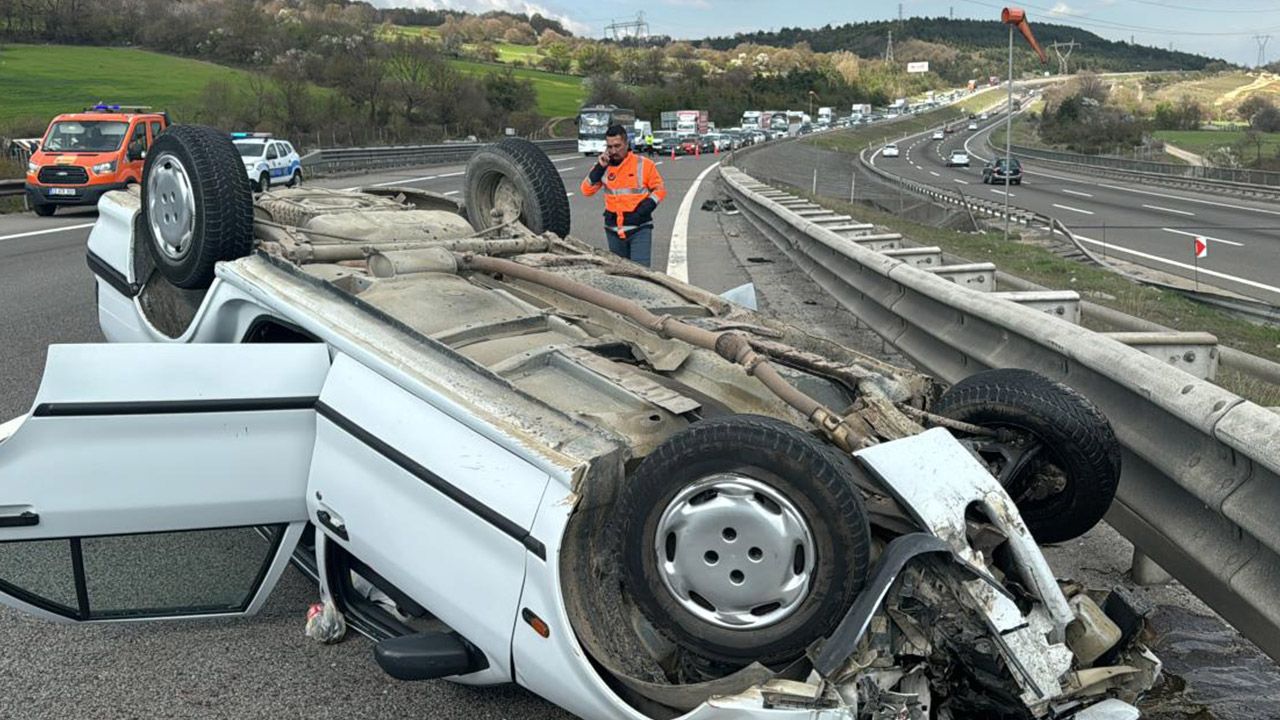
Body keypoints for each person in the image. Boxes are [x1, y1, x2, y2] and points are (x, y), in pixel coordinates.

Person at [580, 124, 667, 268]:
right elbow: (586, 190)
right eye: (609, 147)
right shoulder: (604, 166)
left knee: (641, 274)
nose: (613, 151)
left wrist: (643, 210)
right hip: (613, 230)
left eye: (617, 146)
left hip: (639, 227)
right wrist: (599, 168)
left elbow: (659, 189)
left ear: (626, 144)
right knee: (621, 277)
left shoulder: (644, 164)